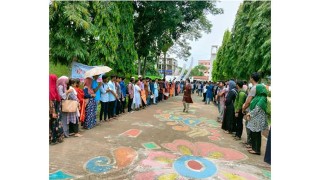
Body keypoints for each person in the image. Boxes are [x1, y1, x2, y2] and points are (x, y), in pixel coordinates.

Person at [246, 84, 269, 155]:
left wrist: (250, 114)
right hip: (254, 118)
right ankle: (253, 147)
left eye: (256, 89)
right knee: (253, 133)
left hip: (258, 119)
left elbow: (257, 108)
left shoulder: (263, 98)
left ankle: (257, 150)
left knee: (256, 134)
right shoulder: (257, 97)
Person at [242, 72, 260, 148]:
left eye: (250, 77)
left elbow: (248, 101)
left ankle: (250, 143)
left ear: (252, 78)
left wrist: (243, 108)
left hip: (250, 111)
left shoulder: (254, 88)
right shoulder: (258, 87)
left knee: (248, 126)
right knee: (251, 126)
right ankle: (250, 142)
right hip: (255, 110)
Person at [49, 74, 64, 144]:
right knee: (54, 124)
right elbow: (51, 101)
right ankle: (53, 139)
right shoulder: (50, 90)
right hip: (53, 111)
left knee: (53, 124)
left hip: (54, 110)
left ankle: (53, 138)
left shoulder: (53, 88)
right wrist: (53, 112)